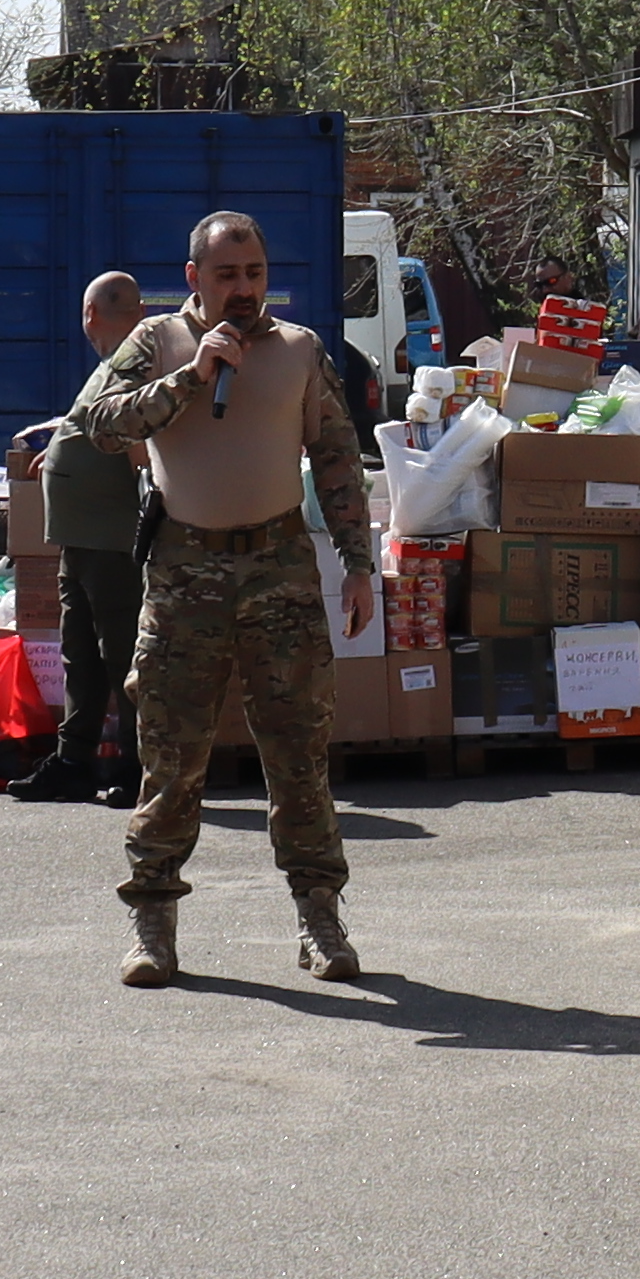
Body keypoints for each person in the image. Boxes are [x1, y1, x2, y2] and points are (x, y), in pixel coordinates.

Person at [71, 208, 383, 986]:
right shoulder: (159, 344)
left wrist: (358, 563)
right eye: (225, 276)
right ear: (193, 281)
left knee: (298, 755)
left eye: (253, 275)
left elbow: (338, 459)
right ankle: (153, 921)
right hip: (185, 572)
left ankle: (320, 920)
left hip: (279, 567)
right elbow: (97, 423)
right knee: (171, 755)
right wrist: (191, 378)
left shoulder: (302, 351)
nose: (242, 291)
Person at [18, 272, 156, 807]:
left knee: (121, 656)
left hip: (110, 539)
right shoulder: (113, 365)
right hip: (80, 538)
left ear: (91, 314)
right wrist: (61, 445)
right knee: (81, 654)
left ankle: (133, 764)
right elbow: (93, 422)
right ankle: (73, 761)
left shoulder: (137, 365)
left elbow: (138, 438)